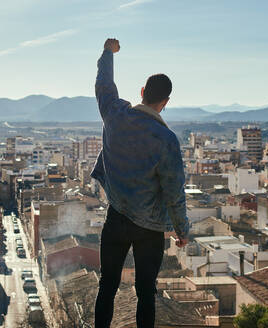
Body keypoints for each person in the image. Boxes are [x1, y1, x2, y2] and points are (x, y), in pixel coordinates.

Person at [92, 38, 189, 328]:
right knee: (146, 291)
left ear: (142, 92)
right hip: (149, 228)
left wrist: (108, 52)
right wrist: (182, 230)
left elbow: (103, 84)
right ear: (165, 103)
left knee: (106, 286)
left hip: (116, 216)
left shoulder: (115, 114)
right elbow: (174, 193)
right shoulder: (167, 140)